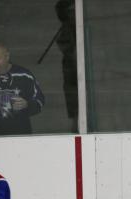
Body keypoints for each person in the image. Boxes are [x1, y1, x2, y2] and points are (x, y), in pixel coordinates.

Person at [0, 43, 45, 136]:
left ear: (7, 56)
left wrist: (27, 104)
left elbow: (40, 101)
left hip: (21, 134)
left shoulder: (24, 75)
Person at [55, 0, 78, 132]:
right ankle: (75, 120)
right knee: (71, 88)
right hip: (70, 60)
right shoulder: (68, 25)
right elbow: (60, 9)